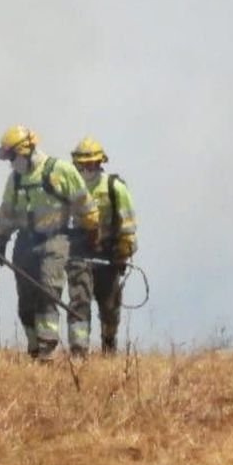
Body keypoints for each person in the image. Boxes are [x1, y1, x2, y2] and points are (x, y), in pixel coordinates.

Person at [0, 125, 99, 359]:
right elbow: (7, 212)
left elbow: (85, 205)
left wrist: (91, 233)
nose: (11, 163)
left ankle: (46, 352)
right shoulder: (16, 179)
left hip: (55, 240)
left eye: (12, 157)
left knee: (48, 292)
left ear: (26, 150)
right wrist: (0, 241)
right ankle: (34, 347)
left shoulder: (60, 170)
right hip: (24, 243)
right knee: (26, 299)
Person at [64, 136, 138, 356]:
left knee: (109, 307)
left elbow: (128, 225)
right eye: (83, 164)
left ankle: (109, 344)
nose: (87, 168)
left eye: (92, 163)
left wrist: (122, 254)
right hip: (79, 251)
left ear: (100, 162)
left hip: (109, 255)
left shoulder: (114, 187)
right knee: (79, 301)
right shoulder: (69, 188)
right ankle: (79, 353)